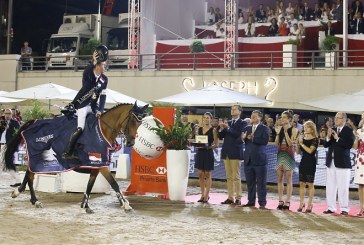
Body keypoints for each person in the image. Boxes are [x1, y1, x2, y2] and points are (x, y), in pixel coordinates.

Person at [62, 45, 109, 159]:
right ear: (98, 64)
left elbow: (102, 97)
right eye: (104, 64)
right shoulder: (88, 72)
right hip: (82, 105)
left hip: (93, 105)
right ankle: (68, 152)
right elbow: (90, 74)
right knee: (80, 128)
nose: (106, 65)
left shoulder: (104, 79)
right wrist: (94, 60)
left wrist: (100, 110)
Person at [323, 112, 355, 215]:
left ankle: (344, 208)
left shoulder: (348, 131)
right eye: (335, 118)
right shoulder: (332, 130)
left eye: (338, 118)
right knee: (330, 186)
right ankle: (331, 207)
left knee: (343, 187)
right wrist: (328, 137)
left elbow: (348, 145)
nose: (335, 120)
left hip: (343, 163)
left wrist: (337, 138)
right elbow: (325, 145)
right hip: (331, 162)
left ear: (344, 120)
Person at [218, 105, 246, 205]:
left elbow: (238, 135)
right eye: (231, 109)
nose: (232, 110)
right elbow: (220, 136)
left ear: (239, 112)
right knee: (229, 177)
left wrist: (228, 127)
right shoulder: (228, 122)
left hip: (236, 152)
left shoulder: (243, 123)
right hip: (226, 152)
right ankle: (230, 197)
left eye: (235, 109)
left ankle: (238, 197)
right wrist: (221, 128)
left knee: (236, 176)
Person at [241, 110, 270, 209]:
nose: (252, 117)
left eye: (255, 116)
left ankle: (262, 202)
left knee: (261, 183)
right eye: (251, 115)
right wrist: (243, 138)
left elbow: (265, 141)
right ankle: (251, 201)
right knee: (250, 182)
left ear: (260, 118)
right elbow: (242, 140)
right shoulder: (247, 128)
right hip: (248, 159)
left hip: (259, 159)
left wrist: (253, 138)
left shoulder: (264, 128)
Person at [275, 110, 298, 210]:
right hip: (280, 154)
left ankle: (288, 201)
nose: (282, 119)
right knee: (279, 178)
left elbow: (290, 143)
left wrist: (285, 132)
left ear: (289, 119)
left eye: (284, 117)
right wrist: (278, 133)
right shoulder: (279, 128)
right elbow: (276, 143)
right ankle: (280, 200)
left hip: (289, 154)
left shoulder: (294, 130)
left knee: (289, 178)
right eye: (281, 117)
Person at [195, 112, 219, 203]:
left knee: (207, 174)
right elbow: (198, 141)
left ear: (211, 119)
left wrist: (208, 147)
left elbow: (216, 144)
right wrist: (197, 144)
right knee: (200, 173)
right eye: (204, 117)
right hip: (200, 153)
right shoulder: (199, 129)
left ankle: (207, 195)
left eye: (208, 118)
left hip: (208, 153)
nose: (206, 119)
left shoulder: (213, 130)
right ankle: (202, 194)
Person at [295, 121, 319, 213]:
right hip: (303, 161)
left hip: (311, 162)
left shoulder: (315, 139)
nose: (305, 128)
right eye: (304, 127)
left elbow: (310, 151)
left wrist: (301, 144)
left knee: (310, 184)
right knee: (301, 183)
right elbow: (297, 152)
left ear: (312, 129)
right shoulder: (302, 138)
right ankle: (301, 203)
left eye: (307, 127)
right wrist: (297, 143)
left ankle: (310, 204)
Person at [0, 108, 21, 187]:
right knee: (7, 163)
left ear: (11, 114)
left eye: (9, 113)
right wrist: (3, 127)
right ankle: (18, 179)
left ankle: (18, 179)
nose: (7, 115)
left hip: (9, 145)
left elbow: (18, 134)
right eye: (6, 113)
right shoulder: (2, 122)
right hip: (3, 144)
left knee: (2, 163)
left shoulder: (15, 123)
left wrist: (9, 128)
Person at [353, 125, 364, 216]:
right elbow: (355, 147)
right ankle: (361, 207)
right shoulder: (359, 131)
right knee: (360, 184)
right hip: (360, 159)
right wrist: (356, 137)